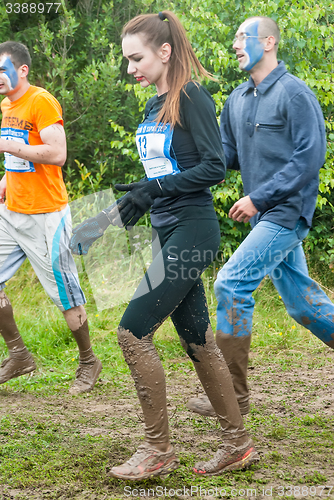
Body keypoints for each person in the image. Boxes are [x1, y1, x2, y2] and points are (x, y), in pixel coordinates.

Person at [69, 11, 260, 479]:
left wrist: (150, 192)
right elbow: (159, 178)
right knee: (197, 341)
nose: (130, 67)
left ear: (164, 52)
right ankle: (237, 445)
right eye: (127, 59)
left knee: (132, 332)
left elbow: (214, 168)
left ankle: (158, 449)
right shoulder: (152, 105)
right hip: (166, 228)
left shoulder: (190, 95)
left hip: (194, 229)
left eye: (136, 57)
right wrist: (105, 220)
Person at [187, 16, 334, 420]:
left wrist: (258, 197)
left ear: (268, 42)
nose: (235, 43)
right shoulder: (237, 99)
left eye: (242, 37)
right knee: (304, 306)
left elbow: (309, 159)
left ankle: (232, 394)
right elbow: (223, 158)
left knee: (231, 283)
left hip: (286, 212)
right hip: (263, 217)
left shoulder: (294, 94)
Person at [0, 41, 102, 395]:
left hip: (48, 215)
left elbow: (57, 153)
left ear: (22, 70)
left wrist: (12, 148)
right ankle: (19, 356)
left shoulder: (40, 101)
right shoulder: (6, 105)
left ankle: (89, 360)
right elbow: (19, 154)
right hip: (11, 212)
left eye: (3, 69)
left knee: (65, 294)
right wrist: (5, 178)